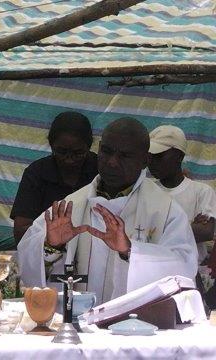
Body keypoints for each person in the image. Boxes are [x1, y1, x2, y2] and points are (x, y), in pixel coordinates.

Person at [17, 118, 197, 304]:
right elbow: (27, 267)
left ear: (145, 160)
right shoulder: (70, 206)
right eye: (107, 151)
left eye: (124, 156)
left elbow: (184, 269)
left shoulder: (166, 211)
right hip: (77, 324)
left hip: (137, 327)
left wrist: (130, 250)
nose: (112, 162)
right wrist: (51, 247)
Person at [11, 112, 97, 243]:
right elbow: (21, 230)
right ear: (51, 146)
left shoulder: (100, 171)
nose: (69, 160)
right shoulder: (36, 173)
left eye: (78, 153)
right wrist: (53, 243)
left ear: (89, 147)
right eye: (62, 152)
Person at [148, 125, 216, 265]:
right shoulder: (147, 190)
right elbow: (139, 231)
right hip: (153, 268)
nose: (152, 162)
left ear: (179, 156)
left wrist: (155, 230)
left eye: (159, 156)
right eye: (149, 156)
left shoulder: (202, 191)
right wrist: (190, 226)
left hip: (189, 271)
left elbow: (205, 232)